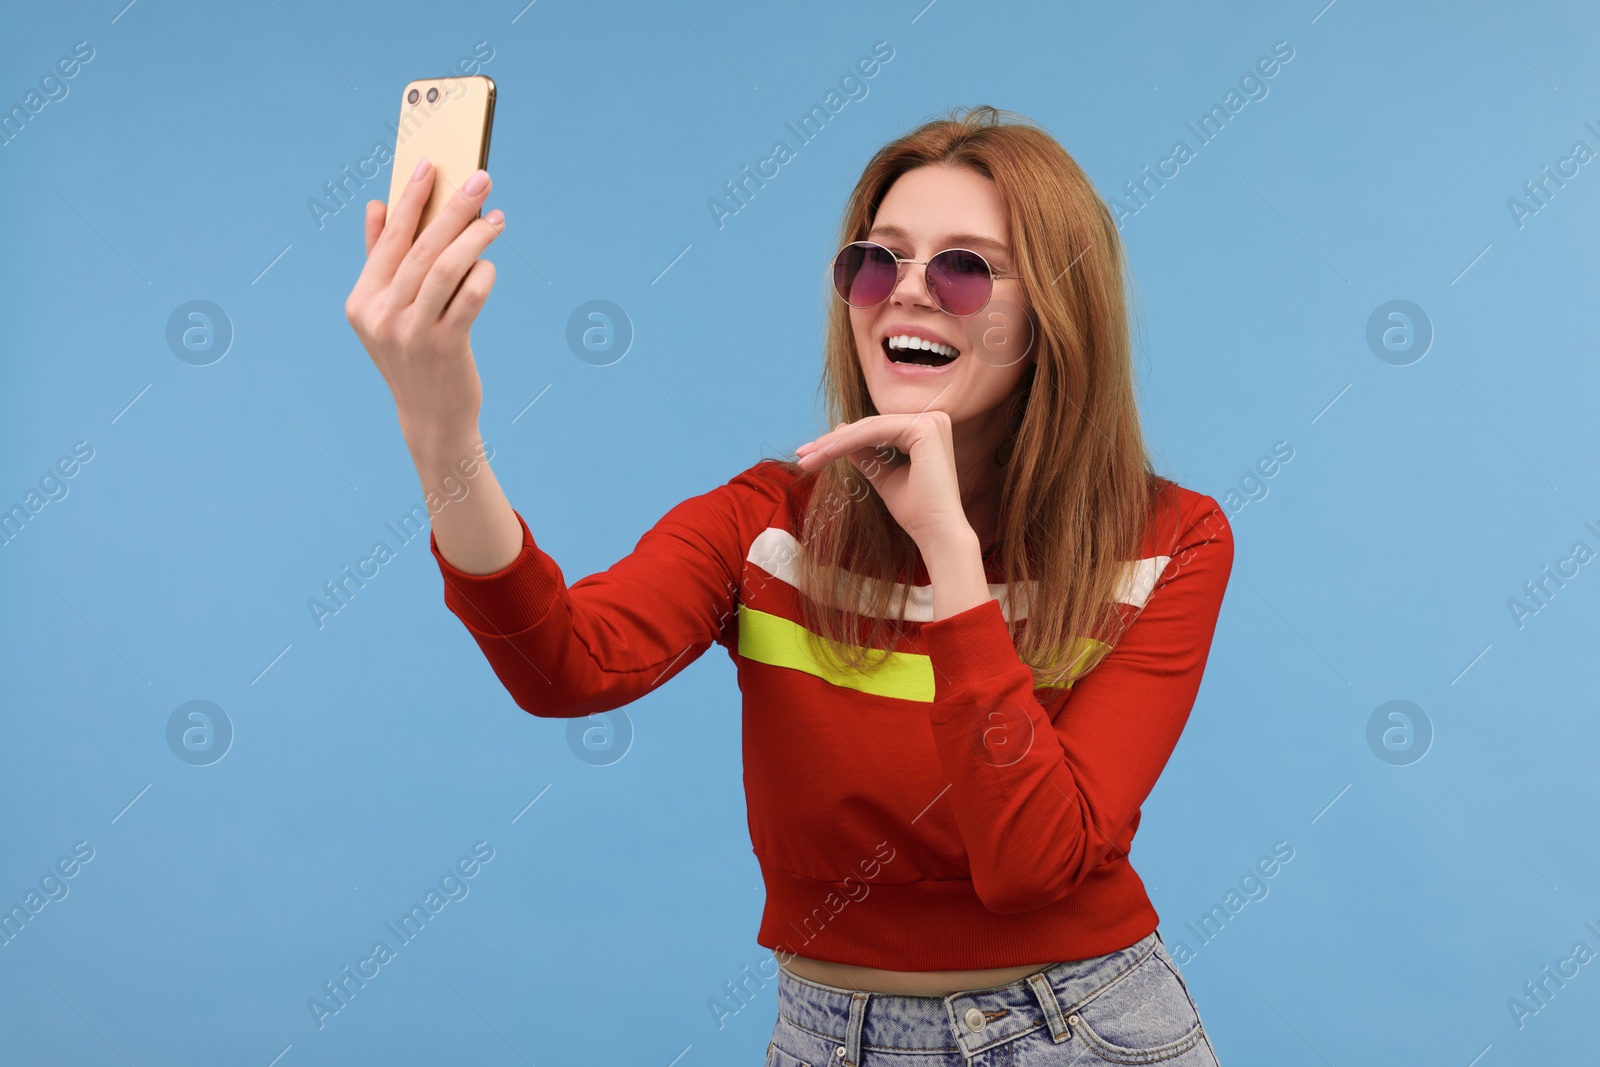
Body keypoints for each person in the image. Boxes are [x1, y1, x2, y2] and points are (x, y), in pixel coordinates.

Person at [345, 105, 1232, 1066]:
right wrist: (440, 423)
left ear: (1058, 312)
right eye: (878, 260)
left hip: (1079, 1030)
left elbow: (1030, 867)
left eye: (966, 268)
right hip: (826, 1035)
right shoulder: (766, 525)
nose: (907, 294)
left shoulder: (1170, 544)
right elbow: (565, 665)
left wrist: (948, 553)